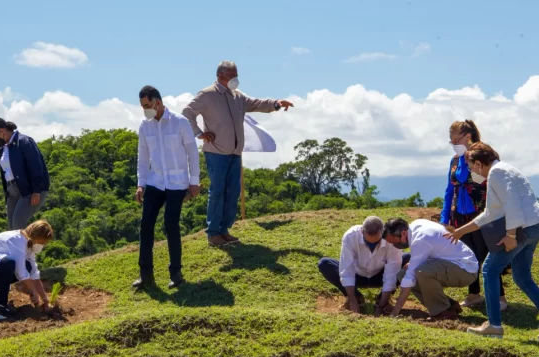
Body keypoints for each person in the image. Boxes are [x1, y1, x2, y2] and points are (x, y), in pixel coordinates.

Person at [445, 142, 539, 342]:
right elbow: (490, 213)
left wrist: (510, 236)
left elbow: (511, 205)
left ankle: (494, 325)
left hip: (522, 228)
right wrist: (460, 231)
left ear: (477, 163)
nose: (471, 172)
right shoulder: (506, 169)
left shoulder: (496, 173)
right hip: (534, 226)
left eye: (470, 166)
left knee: (489, 270)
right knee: (522, 277)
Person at [182, 60, 294, 246]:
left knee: (232, 192)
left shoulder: (237, 96)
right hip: (216, 153)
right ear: (220, 76)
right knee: (217, 192)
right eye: (232, 75)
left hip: (235, 153)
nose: (236, 79)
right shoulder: (207, 95)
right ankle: (213, 233)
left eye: (236, 75)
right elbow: (187, 112)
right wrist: (199, 134)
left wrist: (276, 103)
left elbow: (256, 103)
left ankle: (224, 230)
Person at [133, 85, 201, 290]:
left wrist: (194, 180)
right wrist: (140, 184)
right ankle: (146, 275)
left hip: (177, 183)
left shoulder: (180, 123)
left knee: (171, 225)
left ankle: (176, 273)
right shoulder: (145, 126)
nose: (145, 109)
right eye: (142, 106)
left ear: (158, 102)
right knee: (146, 226)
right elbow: (143, 158)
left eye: (147, 105)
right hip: (155, 181)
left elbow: (192, 151)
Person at [441, 120, 508, 310]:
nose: (454, 144)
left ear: (467, 136)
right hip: (459, 215)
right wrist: (444, 218)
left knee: (488, 253)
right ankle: (474, 294)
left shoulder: (482, 154)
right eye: (451, 141)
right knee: (468, 255)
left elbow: (494, 181)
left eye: (456, 140)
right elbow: (449, 189)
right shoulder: (455, 160)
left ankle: (500, 297)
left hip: (482, 213)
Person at [382, 218, 479, 320]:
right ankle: (449, 305)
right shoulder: (416, 224)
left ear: (403, 233)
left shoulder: (420, 239)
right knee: (403, 274)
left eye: (395, 242)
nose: (395, 246)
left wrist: (396, 311)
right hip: (453, 262)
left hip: (465, 269)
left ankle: (442, 313)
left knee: (422, 271)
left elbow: (410, 278)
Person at [317, 216, 408, 315]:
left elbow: (391, 273)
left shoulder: (391, 239)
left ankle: (383, 299)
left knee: (407, 260)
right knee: (325, 263)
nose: (371, 245)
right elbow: (346, 269)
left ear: (383, 233)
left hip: (379, 276)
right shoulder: (350, 236)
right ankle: (356, 297)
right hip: (357, 275)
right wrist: (352, 299)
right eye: (367, 242)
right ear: (361, 232)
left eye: (376, 242)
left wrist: (381, 306)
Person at [0, 220, 54, 320]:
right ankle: (1, 308)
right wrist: (34, 292)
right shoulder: (17, 240)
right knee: (9, 263)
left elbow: (34, 274)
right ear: (37, 237)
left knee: (27, 265)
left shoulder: (29, 246)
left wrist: (45, 301)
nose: (43, 246)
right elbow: (21, 273)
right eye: (42, 242)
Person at [0, 118, 51, 230]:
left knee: (18, 222)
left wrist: (36, 190)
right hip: (12, 191)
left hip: (30, 189)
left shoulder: (24, 141)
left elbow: (36, 166)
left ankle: (27, 246)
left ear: (2, 130)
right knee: (12, 228)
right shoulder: (3, 148)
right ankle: (18, 247)